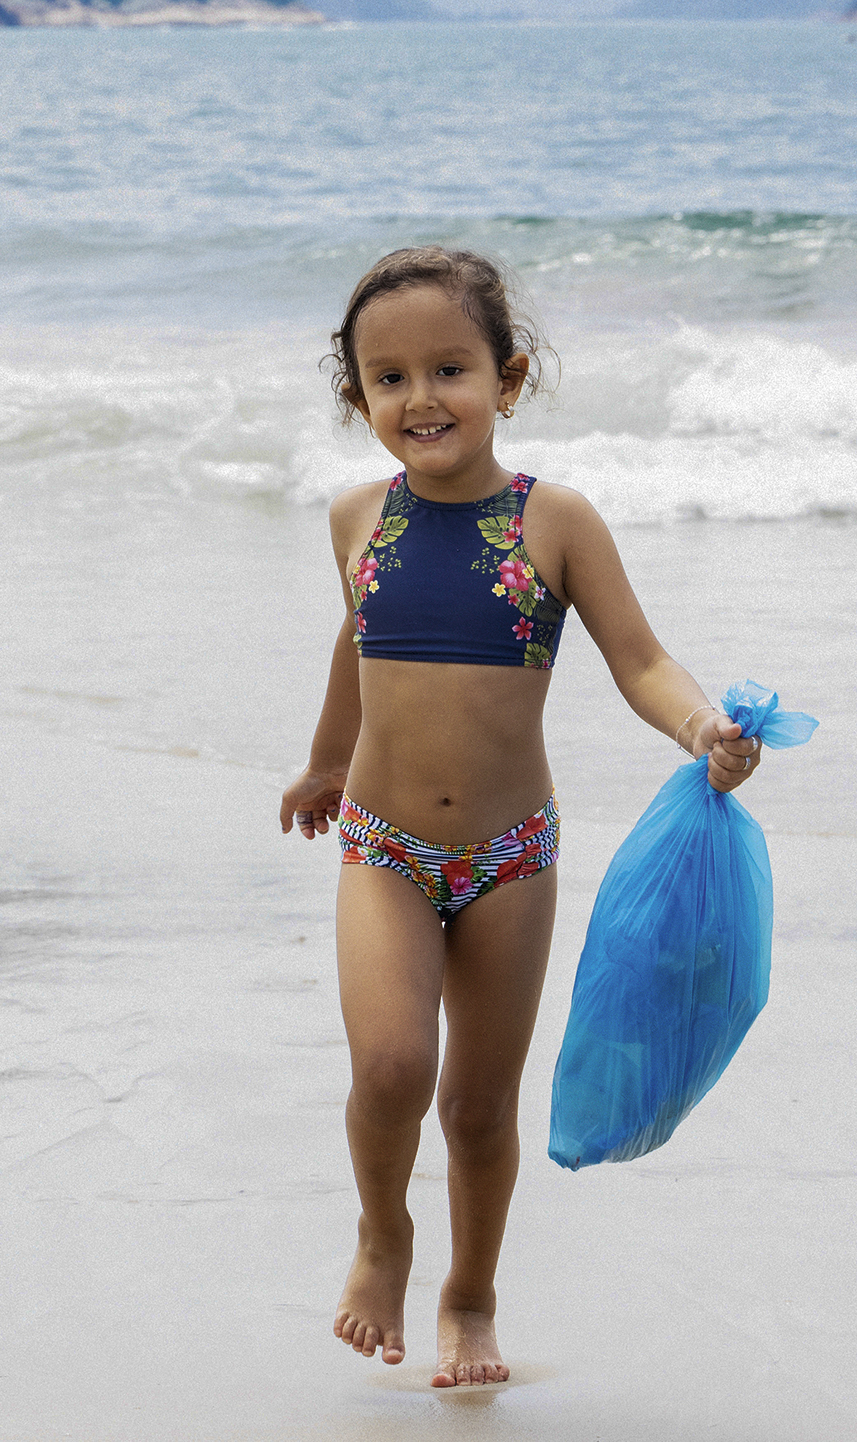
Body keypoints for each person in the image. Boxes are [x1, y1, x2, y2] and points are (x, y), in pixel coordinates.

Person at [278, 246, 761, 1388]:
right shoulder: (355, 518)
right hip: (384, 846)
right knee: (391, 1067)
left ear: (510, 375)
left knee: (479, 1109)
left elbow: (638, 659)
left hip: (511, 857)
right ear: (358, 398)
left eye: (450, 368)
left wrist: (698, 727)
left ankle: (471, 1296)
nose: (420, 397)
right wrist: (320, 763)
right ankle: (383, 1235)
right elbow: (359, 645)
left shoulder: (556, 521)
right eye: (387, 378)